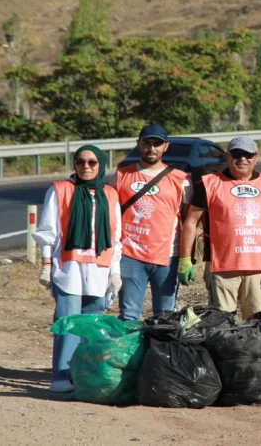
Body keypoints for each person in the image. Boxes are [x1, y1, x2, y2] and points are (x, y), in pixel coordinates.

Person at [34, 145, 122, 393]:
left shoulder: (110, 195)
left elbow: (115, 237)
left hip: (99, 270)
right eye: (81, 162)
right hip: (69, 269)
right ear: (74, 164)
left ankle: (85, 375)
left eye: (92, 162)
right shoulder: (60, 190)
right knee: (68, 322)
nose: (86, 167)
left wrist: (115, 272)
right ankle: (61, 376)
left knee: (93, 325)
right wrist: (46, 264)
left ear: (100, 165)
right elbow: (48, 231)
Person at [178, 136, 261, 320]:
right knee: (220, 321)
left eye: (248, 155)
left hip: (259, 266)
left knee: (257, 321)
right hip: (222, 266)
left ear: (256, 158)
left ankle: (252, 350)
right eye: (237, 154)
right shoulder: (208, 184)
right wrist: (185, 259)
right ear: (228, 157)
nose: (242, 159)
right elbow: (191, 222)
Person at [113, 124, 191, 321]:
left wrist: (186, 257)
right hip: (130, 255)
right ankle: (131, 352)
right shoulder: (122, 175)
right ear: (138, 144)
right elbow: (112, 215)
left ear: (166, 147)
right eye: (147, 143)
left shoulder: (180, 179)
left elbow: (190, 220)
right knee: (129, 316)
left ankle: (160, 352)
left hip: (167, 256)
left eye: (157, 144)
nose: (151, 148)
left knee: (165, 317)